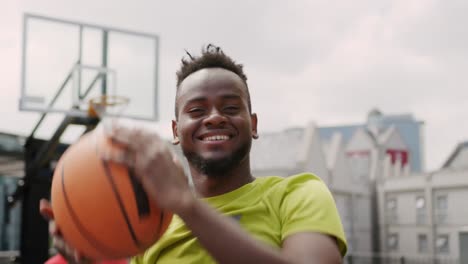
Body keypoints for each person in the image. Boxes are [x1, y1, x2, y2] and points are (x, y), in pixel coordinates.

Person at [40, 44, 347, 263]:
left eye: (230, 107)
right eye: (197, 110)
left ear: (253, 124)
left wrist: (187, 206)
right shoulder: (151, 226)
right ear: (176, 130)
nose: (214, 117)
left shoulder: (298, 194)